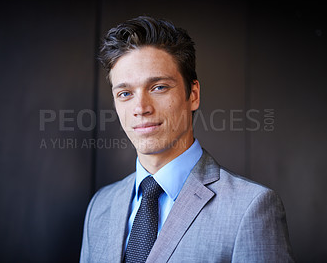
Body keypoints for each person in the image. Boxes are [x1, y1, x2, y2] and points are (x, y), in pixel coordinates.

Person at [80, 16, 294, 263]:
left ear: (193, 95)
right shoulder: (100, 206)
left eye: (158, 87)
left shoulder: (251, 209)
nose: (140, 107)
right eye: (125, 93)